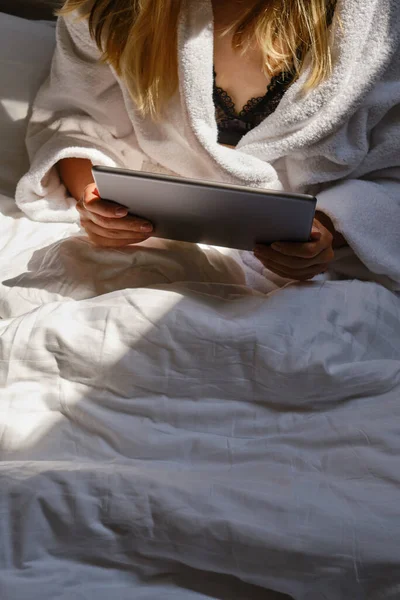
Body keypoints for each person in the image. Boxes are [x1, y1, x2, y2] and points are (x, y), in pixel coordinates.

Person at [16, 0, 400, 287]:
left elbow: (391, 156)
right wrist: (94, 200)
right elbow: (77, 117)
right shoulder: (115, 9)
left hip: (301, 270)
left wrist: (325, 229)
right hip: (150, 246)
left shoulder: (373, 22)